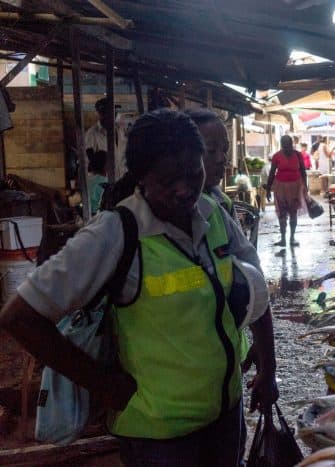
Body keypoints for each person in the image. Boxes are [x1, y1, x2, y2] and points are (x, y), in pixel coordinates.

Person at [0, 109, 278, 466]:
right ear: (141, 178)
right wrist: (103, 384)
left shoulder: (213, 215)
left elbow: (257, 288)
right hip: (159, 438)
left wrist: (268, 368)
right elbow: (19, 316)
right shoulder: (115, 233)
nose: (185, 189)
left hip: (225, 417)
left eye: (194, 172)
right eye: (168, 180)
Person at [265, 135, 308, 247]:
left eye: (288, 144)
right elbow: (272, 173)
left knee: (293, 213)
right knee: (282, 213)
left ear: (291, 144)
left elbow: (303, 171)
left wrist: (305, 187)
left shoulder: (298, 155)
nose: (287, 147)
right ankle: (283, 238)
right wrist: (268, 189)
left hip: (295, 187)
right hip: (280, 188)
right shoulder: (276, 156)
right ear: (282, 145)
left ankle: (292, 238)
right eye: (284, 145)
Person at [86, 148, 107, 215]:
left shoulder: (88, 179)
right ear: (105, 165)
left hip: (88, 214)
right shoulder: (105, 181)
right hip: (99, 216)